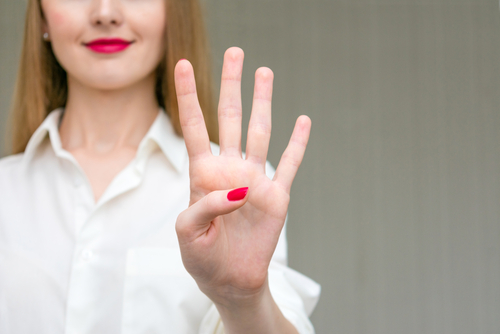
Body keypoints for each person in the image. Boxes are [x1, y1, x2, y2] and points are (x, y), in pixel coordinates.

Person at [0, 0, 320, 333]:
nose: (105, 12)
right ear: (40, 16)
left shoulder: (234, 190)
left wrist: (242, 299)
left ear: (175, 12)